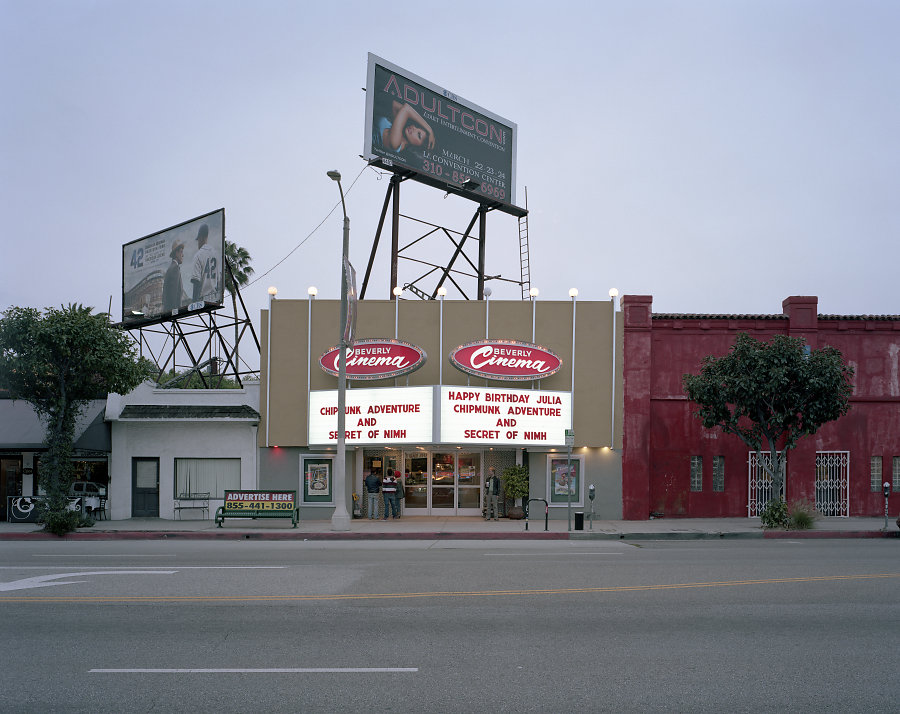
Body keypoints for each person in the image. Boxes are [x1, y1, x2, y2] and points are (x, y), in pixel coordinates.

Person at [190, 223, 218, 303]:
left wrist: (194, 304)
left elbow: (196, 281)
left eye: (198, 239)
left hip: (203, 298)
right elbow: (219, 280)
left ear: (201, 237)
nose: (198, 242)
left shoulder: (198, 255)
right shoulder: (215, 253)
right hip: (215, 297)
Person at [162, 240, 185, 313]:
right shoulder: (175, 268)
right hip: (173, 311)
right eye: (181, 252)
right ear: (176, 253)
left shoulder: (171, 268)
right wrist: (175, 312)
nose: (183, 255)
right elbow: (174, 293)